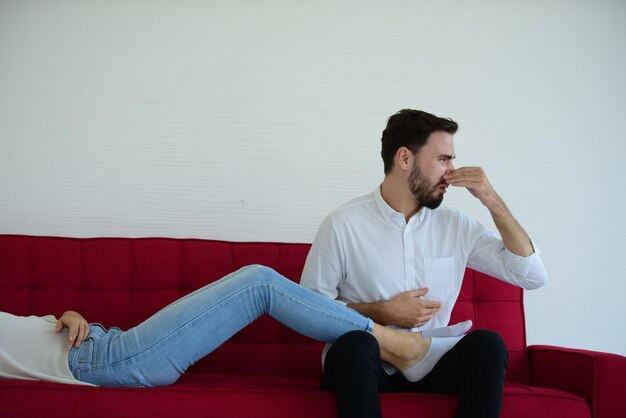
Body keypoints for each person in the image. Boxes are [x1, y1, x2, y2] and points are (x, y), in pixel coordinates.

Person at [300, 109, 548, 418]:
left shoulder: (457, 226)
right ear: (404, 158)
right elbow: (308, 310)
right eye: (443, 159)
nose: (451, 172)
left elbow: (532, 275)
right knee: (354, 346)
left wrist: (491, 199)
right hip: (365, 365)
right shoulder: (342, 224)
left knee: (488, 345)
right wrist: (380, 311)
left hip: (431, 362)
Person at [1, 264, 469, 388]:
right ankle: (405, 349)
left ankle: (404, 349)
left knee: (258, 280)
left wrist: (66, 317)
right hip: (100, 363)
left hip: (101, 343)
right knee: (259, 283)